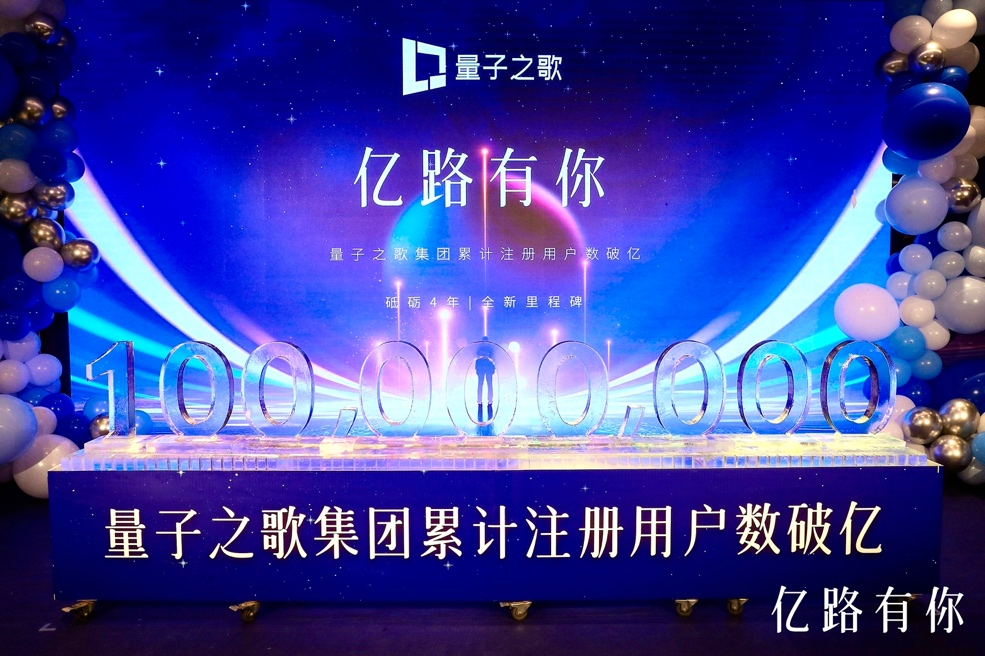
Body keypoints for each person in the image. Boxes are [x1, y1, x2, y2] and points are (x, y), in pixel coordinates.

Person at [475, 336, 495, 422]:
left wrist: (493, 368)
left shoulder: (490, 349)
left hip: (487, 369)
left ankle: (489, 401)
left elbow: (493, 359)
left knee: (489, 385)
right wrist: (477, 368)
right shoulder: (481, 349)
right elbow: (477, 358)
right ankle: (480, 401)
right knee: (481, 385)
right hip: (482, 369)